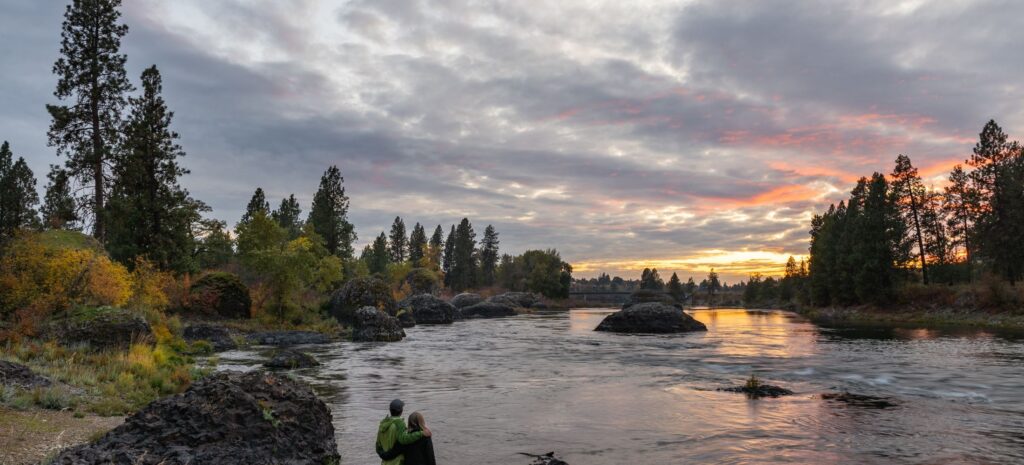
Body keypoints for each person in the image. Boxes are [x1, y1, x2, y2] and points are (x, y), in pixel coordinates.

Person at [376, 399, 430, 465]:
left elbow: (378, 446)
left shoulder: (382, 425)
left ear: (390, 410)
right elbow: (404, 439)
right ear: (401, 411)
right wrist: (421, 433)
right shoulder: (399, 424)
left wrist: (383, 455)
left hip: (385, 462)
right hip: (397, 462)